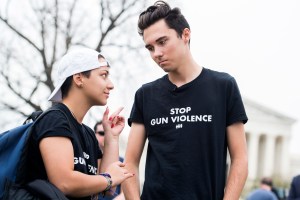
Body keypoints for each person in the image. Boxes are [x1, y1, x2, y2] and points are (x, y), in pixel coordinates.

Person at [122, 1, 248, 199]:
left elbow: (240, 159)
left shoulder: (223, 87)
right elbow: (129, 164)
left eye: (162, 42)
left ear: (185, 35)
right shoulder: (145, 95)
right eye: (150, 48)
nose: (156, 54)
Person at [25, 48, 134, 200]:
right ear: (79, 78)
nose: (111, 85)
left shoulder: (88, 133)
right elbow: (64, 183)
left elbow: (106, 189)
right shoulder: (55, 119)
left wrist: (112, 138)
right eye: (103, 75)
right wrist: (108, 178)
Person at [94, 121, 125, 200]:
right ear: (94, 134)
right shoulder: (88, 156)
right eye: (101, 133)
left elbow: (124, 193)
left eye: (108, 134)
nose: (105, 137)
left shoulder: (121, 162)